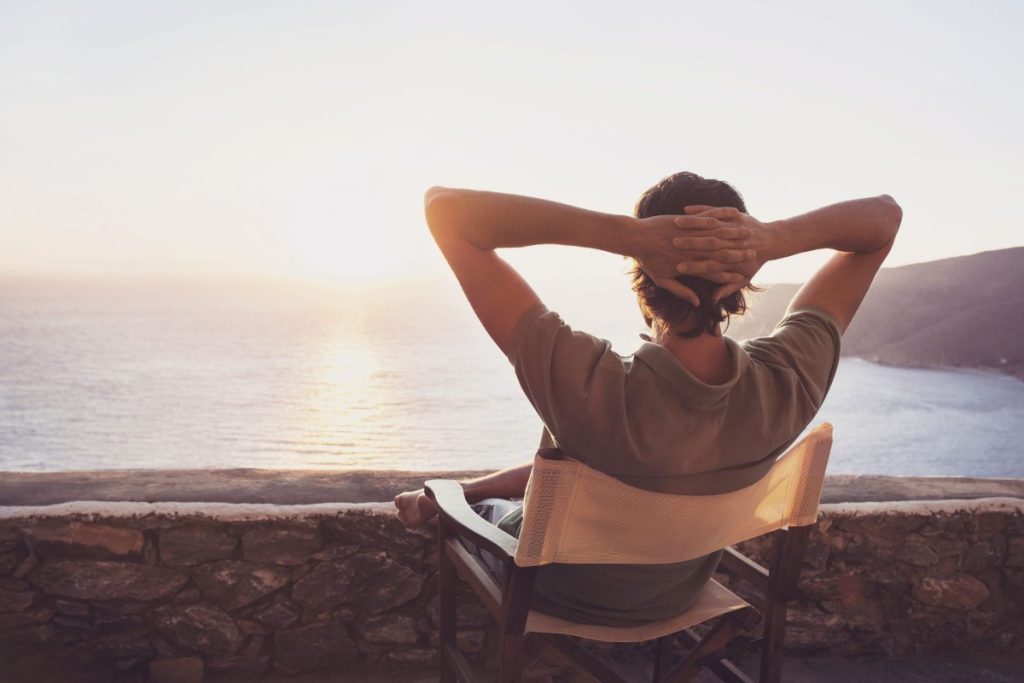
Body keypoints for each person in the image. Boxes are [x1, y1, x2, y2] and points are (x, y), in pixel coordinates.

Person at [394, 171, 901, 626]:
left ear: (643, 278)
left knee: (476, 513)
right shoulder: (787, 381)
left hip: (555, 594)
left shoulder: (588, 385)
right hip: (675, 593)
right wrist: (774, 238)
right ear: (742, 283)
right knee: (549, 478)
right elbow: (884, 219)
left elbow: (446, 209)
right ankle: (468, 490)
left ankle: (448, 503)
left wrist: (627, 235)